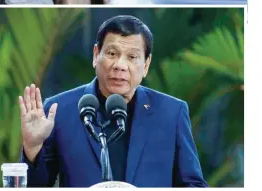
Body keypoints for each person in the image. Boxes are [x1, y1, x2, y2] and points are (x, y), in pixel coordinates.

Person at [19, 15, 208, 187]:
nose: (120, 66)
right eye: (112, 54)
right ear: (96, 55)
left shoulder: (171, 112)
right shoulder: (59, 110)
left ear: (146, 65)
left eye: (132, 57)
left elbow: (193, 185)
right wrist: (33, 149)